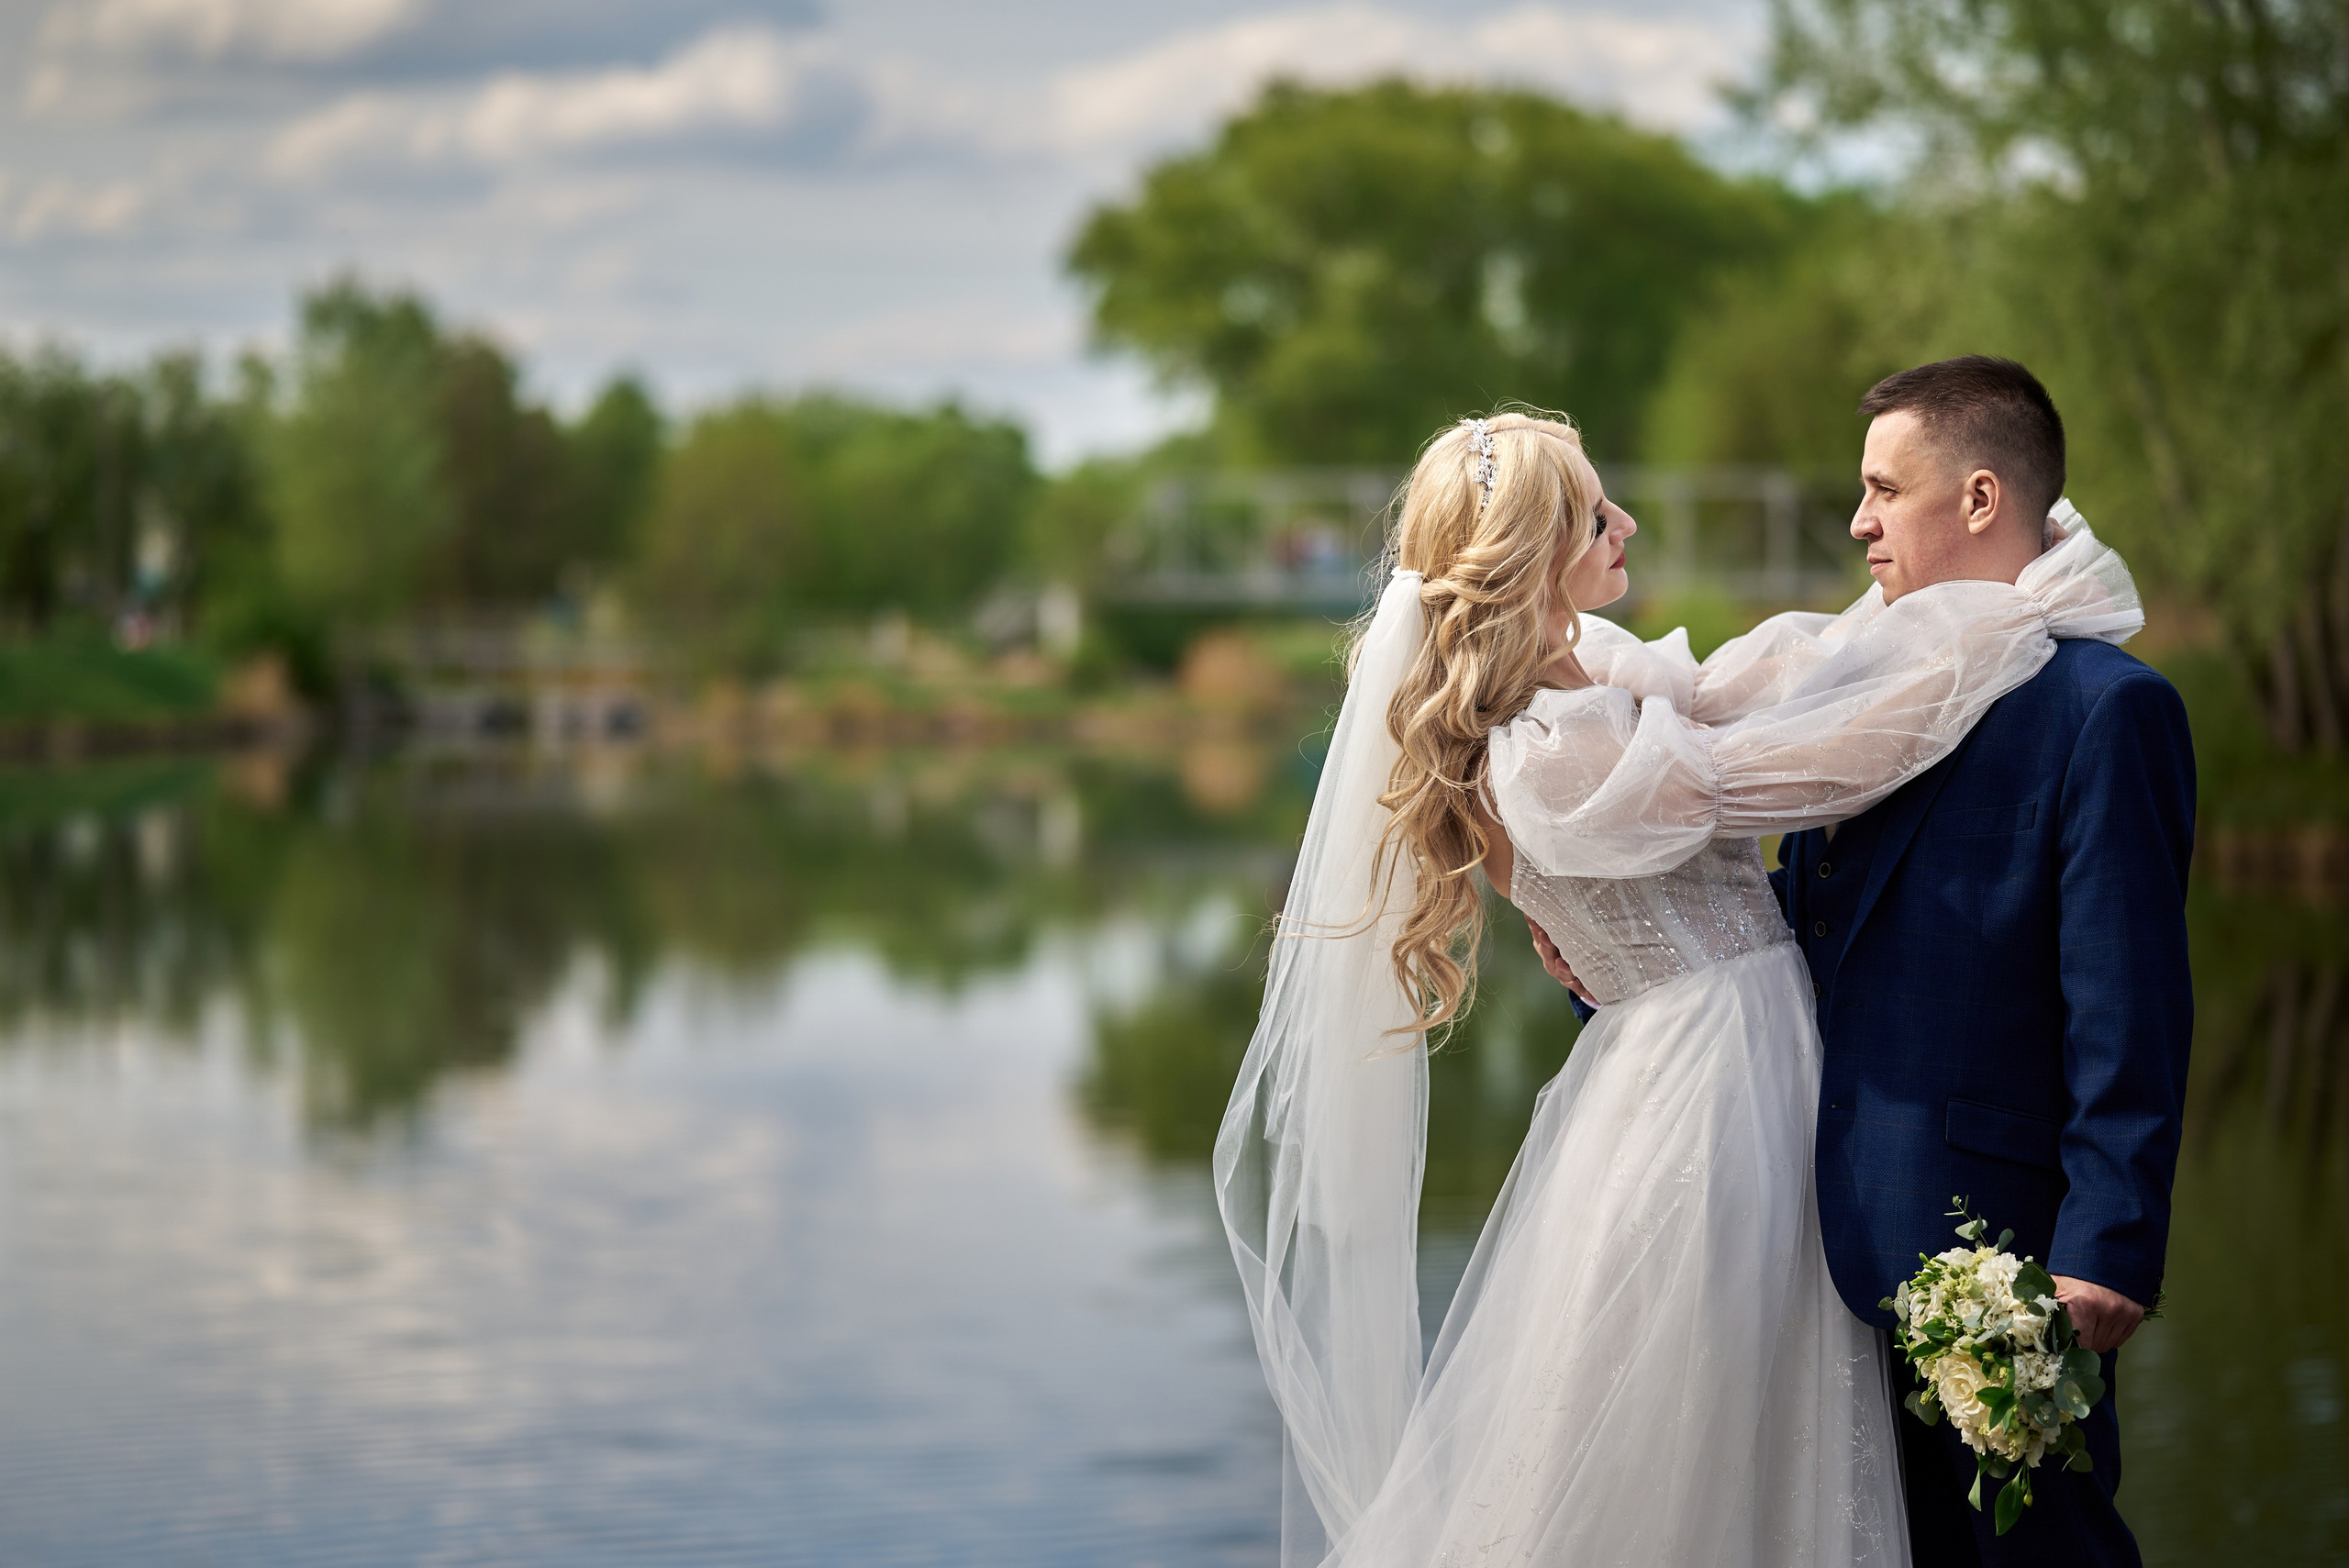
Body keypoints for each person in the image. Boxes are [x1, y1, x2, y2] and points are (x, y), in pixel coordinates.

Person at [1216, 399, 2148, 1568]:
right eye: (1598, 512)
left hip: (1734, 1079)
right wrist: (2007, 617)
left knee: (1746, 1450)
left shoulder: (1608, 688)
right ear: (1533, 553)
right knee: (1680, 1451)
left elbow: (1781, 686)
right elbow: (1824, 750)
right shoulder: (1558, 746)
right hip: (1706, 1102)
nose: (1630, 521)